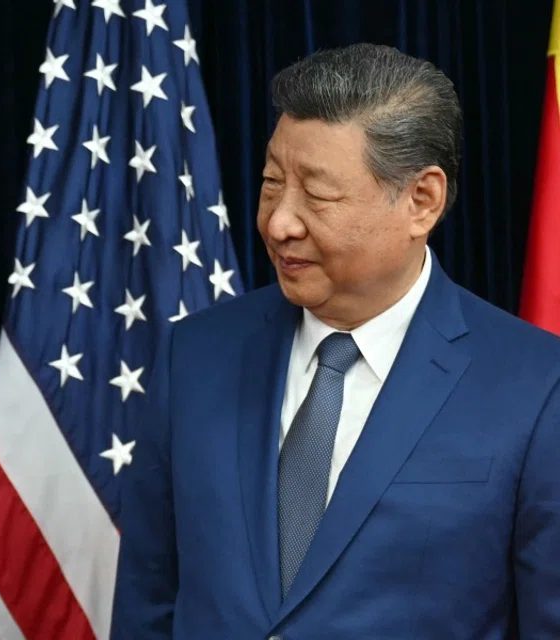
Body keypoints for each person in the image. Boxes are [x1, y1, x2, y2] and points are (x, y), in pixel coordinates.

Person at [111, 43, 560, 638]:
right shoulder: (196, 356)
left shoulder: (536, 388)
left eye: (317, 194)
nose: (278, 222)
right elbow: (149, 601)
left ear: (421, 200)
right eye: (272, 183)